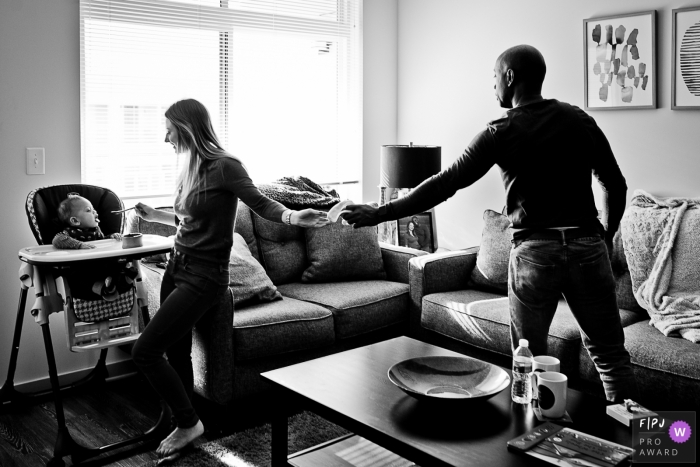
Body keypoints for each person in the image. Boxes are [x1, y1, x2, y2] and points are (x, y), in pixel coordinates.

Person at [341, 45, 638, 403]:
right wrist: (604, 235)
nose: (493, 85)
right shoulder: (579, 120)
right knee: (609, 356)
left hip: (535, 254)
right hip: (587, 246)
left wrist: (379, 212)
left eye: (494, 76)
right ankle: (639, 447)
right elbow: (615, 183)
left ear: (510, 77)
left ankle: (536, 442)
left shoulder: (502, 130)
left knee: (529, 359)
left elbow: (445, 182)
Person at [131, 99, 330, 463]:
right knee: (176, 352)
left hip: (204, 278)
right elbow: (188, 221)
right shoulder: (189, 167)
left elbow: (260, 202)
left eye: (169, 129)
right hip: (177, 268)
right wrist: (155, 215)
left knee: (144, 350)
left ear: (187, 127)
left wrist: (292, 217)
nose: (165, 138)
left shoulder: (226, 166)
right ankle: (184, 423)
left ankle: (190, 423)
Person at [53, 194, 131, 301]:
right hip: (84, 269)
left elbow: (102, 243)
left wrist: (111, 238)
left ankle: (123, 279)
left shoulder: (96, 231)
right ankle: (103, 288)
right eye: (89, 210)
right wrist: (79, 245)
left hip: (102, 267)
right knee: (77, 278)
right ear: (75, 221)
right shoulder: (70, 233)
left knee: (118, 265)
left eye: (94, 209)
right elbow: (57, 240)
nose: (95, 212)